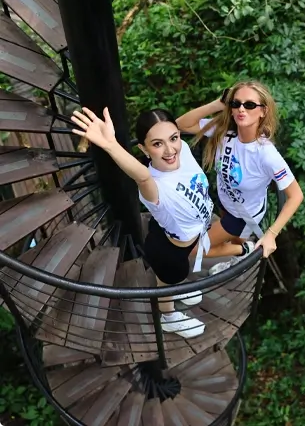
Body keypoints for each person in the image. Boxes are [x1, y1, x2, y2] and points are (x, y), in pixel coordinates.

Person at [69, 107, 244, 339]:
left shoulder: (183, 154)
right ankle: (168, 316)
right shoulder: (154, 185)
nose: (170, 150)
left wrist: (220, 102)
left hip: (170, 235)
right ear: (144, 148)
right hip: (171, 252)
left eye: (174, 138)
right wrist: (110, 144)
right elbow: (142, 176)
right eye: (157, 144)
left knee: (173, 278)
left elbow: (183, 123)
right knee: (167, 281)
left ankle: (177, 290)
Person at [175, 80, 303, 274]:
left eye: (250, 105)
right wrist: (217, 104)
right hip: (226, 202)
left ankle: (244, 250)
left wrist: (271, 234)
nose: (241, 109)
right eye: (236, 104)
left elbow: (296, 195)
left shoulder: (266, 154)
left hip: (243, 215)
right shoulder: (225, 131)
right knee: (236, 238)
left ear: (263, 111)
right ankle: (241, 253)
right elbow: (181, 124)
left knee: (192, 249)